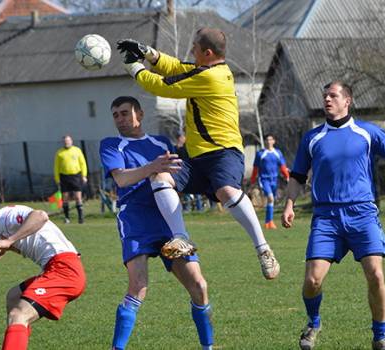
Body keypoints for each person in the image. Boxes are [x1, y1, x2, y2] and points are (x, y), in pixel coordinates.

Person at [117, 28, 279, 279]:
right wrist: (147, 52)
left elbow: (163, 85)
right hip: (195, 157)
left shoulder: (211, 77)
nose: (191, 51)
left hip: (223, 152)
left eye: (195, 47)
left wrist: (133, 66)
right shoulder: (205, 70)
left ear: (208, 53)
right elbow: (175, 66)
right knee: (160, 176)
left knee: (226, 192)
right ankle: (181, 237)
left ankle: (263, 248)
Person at [281, 81, 385, 350]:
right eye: (324, 95)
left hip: (362, 213)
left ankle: (380, 336)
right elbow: (298, 177)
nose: (327, 99)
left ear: (347, 100)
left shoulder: (366, 131)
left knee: (375, 275)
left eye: (333, 95)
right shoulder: (312, 138)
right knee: (312, 280)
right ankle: (313, 323)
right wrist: (290, 203)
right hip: (326, 217)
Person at [100, 96, 213, 350]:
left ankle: (208, 347)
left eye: (125, 113)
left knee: (199, 285)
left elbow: (177, 179)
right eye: (115, 114)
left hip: (167, 222)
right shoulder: (112, 144)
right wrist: (153, 167)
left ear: (139, 114)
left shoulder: (160, 142)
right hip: (136, 219)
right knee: (139, 286)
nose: (120, 118)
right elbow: (121, 180)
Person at [0, 197, 85, 350]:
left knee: (18, 315)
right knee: (14, 296)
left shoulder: (4, 216)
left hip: (64, 270)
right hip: (57, 269)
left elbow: (40, 216)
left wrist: (10, 240)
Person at [250, 134, 290, 229]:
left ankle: (268, 222)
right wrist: (252, 180)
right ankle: (269, 221)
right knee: (271, 198)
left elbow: (282, 166)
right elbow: (255, 168)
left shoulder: (278, 153)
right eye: (267, 140)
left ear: (274, 141)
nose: (268, 141)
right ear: (264, 142)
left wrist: (287, 176)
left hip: (275, 180)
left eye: (270, 139)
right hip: (264, 180)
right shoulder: (260, 154)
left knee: (271, 201)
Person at [53, 135, 88, 224]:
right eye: (65, 141)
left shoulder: (77, 150)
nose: (67, 142)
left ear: (71, 141)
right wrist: (57, 179)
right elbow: (56, 167)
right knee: (65, 198)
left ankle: (80, 218)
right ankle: (67, 218)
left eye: (68, 141)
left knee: (78, 197)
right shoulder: (59, 153)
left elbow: (83, 163)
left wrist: (84, 175)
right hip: (64, 177)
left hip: (76, 176)